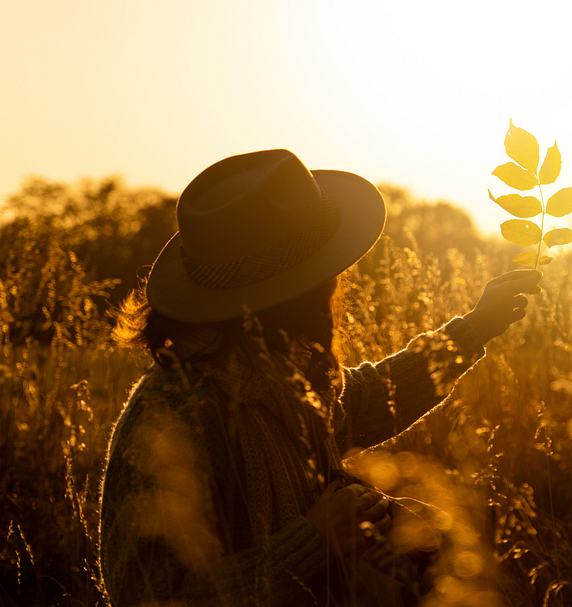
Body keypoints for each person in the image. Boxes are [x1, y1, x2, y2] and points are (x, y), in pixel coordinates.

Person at [98, 149, 541, 606]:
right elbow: (147, 597)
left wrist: (474, 328)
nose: (336, 285)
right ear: (287, 295)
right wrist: (314, 540)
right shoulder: (170, 420)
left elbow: (368, 398)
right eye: (324, 272)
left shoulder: (268, 368)